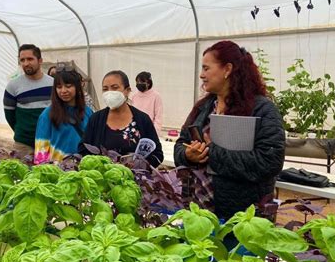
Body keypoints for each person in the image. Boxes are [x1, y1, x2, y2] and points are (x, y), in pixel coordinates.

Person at [174, 40, 285, 221]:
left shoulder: (261, 110)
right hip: (198, 212)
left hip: (242, 217)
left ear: (227, 69)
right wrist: (188, 154)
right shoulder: (204, 107)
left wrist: (213, 153)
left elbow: (269, 162)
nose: (201, 75)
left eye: (206, 68)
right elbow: (181, 143)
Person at [79, 70, 163, 168]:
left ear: (127, 90)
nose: (109, 92)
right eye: (105, 89)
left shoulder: (142, 119)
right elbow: (83, 149)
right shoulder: (96, 119)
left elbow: (157, 154)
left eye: (115, 88)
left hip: (134, 181)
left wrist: (139, 165)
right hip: (103, 180)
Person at [3, 44, 53, 157]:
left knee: (47, 172)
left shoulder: (53, 84)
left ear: (40, 61)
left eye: (30, 59)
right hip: (23, 144)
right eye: (22, 60)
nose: (26, 63)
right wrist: (22, 131)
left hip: (48, 141)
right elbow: (9, 115)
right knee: (22, 172)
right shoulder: (13, 86)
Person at [34, 69, 93, 164]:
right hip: (58, 170)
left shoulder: (88, 112)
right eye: (59, 87)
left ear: (78, 87)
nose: (63, 91)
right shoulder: (47, 114)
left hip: (84, 168)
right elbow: (41, 150)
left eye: (68, 86)